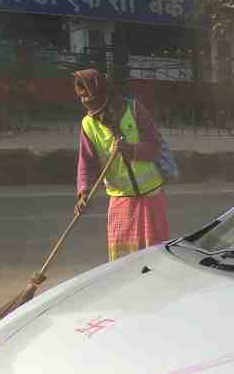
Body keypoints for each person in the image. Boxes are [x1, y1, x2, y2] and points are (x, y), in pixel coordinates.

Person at [73, 69, 170, 261]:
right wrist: (84, 192)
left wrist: (132, 150)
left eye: (88, 96)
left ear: (102, 93)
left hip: (150, 196)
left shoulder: (134, 110)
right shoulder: (88, 124)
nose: (85, 101)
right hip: (121, 199)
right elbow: (87, 164)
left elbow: (155, 146)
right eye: (81, 97)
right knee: (123, 260)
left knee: (155, 256)